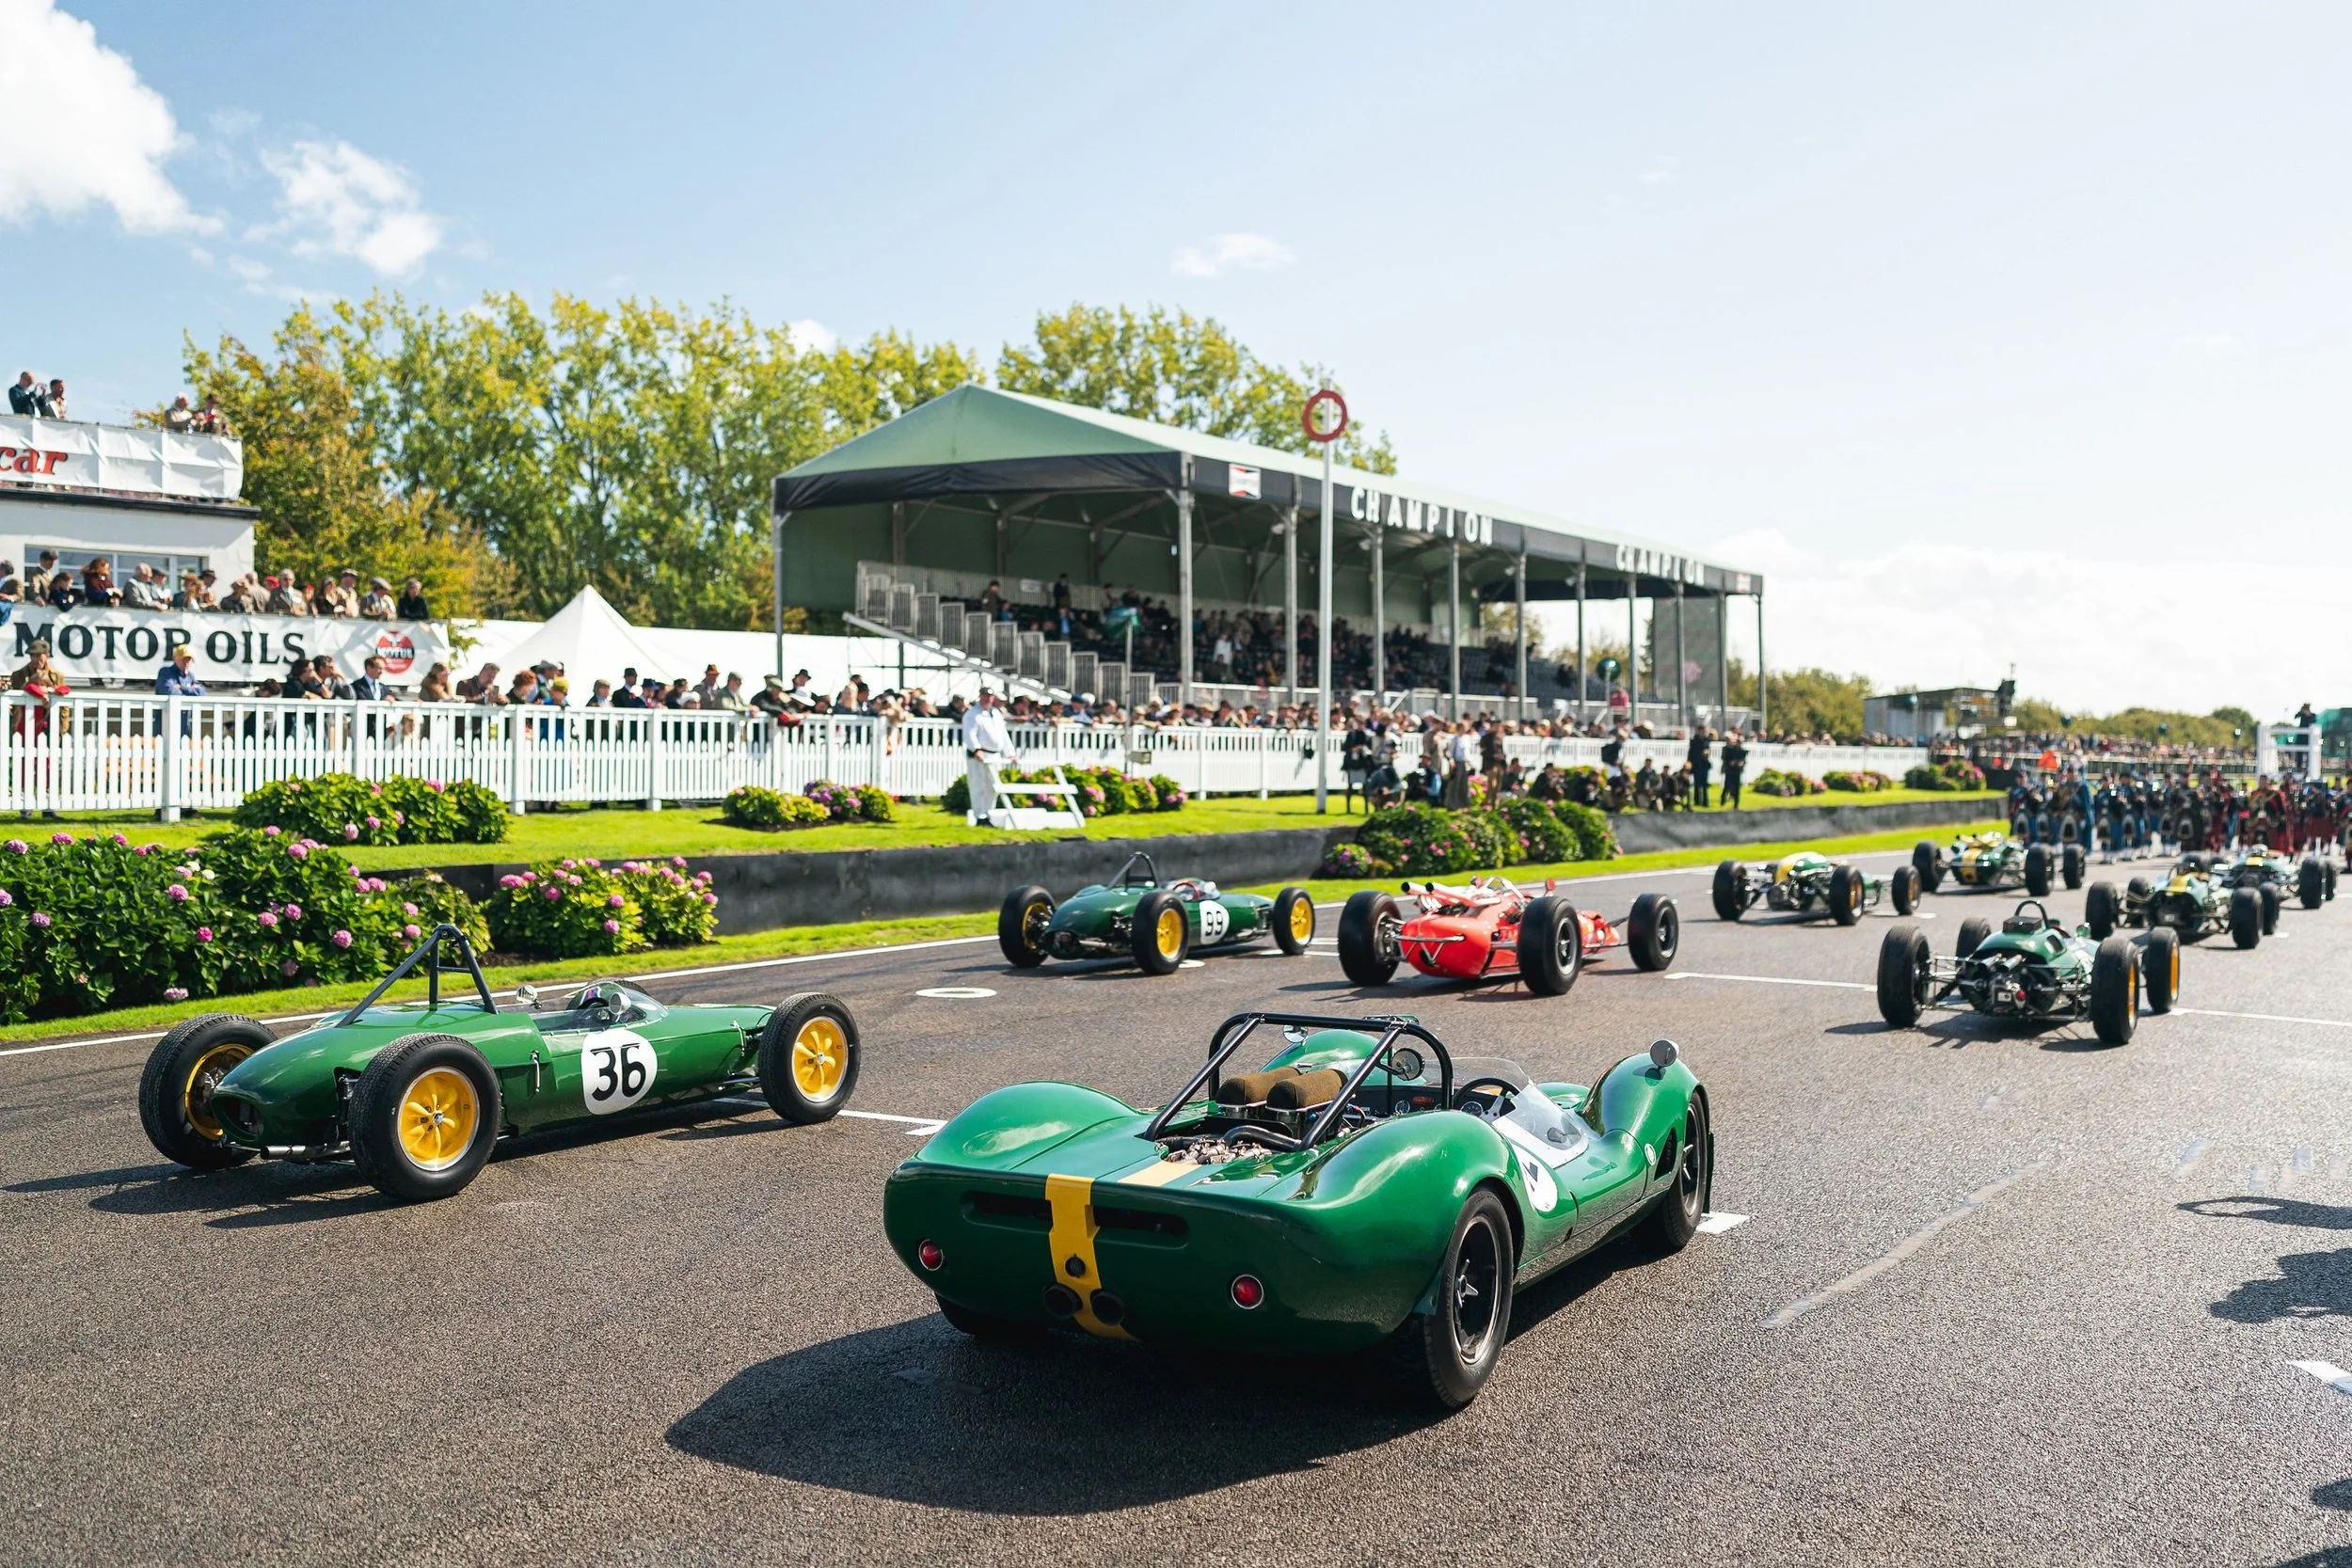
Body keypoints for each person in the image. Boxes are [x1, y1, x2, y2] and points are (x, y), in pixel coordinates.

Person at [961, 687, 1015, 825]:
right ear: (980, 696)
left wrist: (1011, 754)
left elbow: (1003, 735)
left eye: (990, 696)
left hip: (994, 755)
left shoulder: (996, 713)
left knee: (993, 786)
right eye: (985, 696)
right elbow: (969, 733)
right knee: (978, 785)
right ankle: (980, 815)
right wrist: (976, 749)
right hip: (980, 755)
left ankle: (988, 813)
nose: (987, 699)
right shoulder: (972, 714)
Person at [1720, 730, 1748, 810]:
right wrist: (1730, 762)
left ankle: (1736, 804)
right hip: (1730, 771)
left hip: (1737, 771)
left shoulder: (1742, 751)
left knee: (1737, 788)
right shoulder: (1730, 749)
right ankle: (1722, 800)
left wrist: (1742, 763)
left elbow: (1743, 760)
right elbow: (1726, 758)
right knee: (1727, 787)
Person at [1687, 725, 1713, 808]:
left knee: (1705, 784)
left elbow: (1708, 749)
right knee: (1697, 784)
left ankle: (1705, 802)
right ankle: (1697, 800)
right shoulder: (1694, 741)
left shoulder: (1706, 740)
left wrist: (1707, 753)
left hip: (1704, 764)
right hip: (1697, 764)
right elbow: (1691, 753)